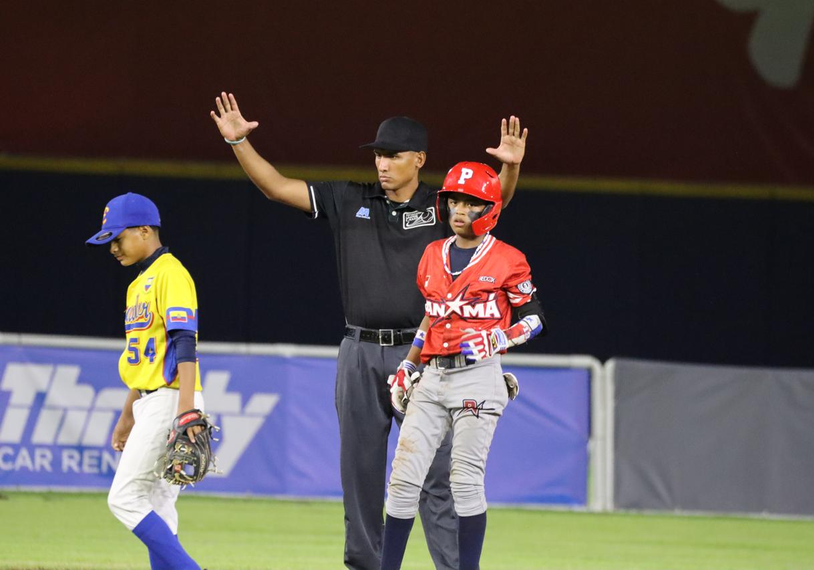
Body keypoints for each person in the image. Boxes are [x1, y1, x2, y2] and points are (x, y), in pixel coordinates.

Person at [209, 92, 527, 570]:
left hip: (423, 357)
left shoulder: (439, 206)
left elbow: (490, 202)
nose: (382, 163)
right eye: (378, 154)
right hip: (359, 351)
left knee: (436, 475)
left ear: (419, 159)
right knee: (360, 474)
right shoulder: (349, 198)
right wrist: (238, 141)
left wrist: (511, 168)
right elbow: (276, 187)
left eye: (393, 155)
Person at [381, 162, 547, 570]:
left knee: (465, 481)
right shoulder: (432, 254)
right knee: (402, 481)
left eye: (471, 202)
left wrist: (501, 338)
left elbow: (535, 318)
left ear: (489, 209)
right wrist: (408, 365)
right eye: (455, 200)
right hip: (434, 375)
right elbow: (432, 316)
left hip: (478, 375)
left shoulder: (507, 259)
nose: (459, 209)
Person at [86, 192, 205, 570]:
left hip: (172, 399)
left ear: (144, 230)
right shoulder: (137, 285)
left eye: (117, 238)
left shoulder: (171, 273)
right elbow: (147, 362)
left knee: (124, 499)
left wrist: (186, 408)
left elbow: (184, 342)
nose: (113, 248)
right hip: (152, 400)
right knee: (158, 507)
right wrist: (127, 415)